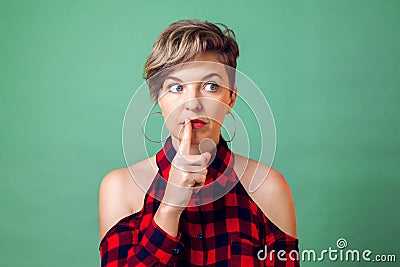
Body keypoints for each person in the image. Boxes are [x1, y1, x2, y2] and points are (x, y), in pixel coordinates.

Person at [98, 19, 300, 266]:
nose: (192, 103)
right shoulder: (120, 188)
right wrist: (169, 209)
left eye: (210, 86)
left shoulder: (268, 187)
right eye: (176, 87)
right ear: (158, 98)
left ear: (231, 97)